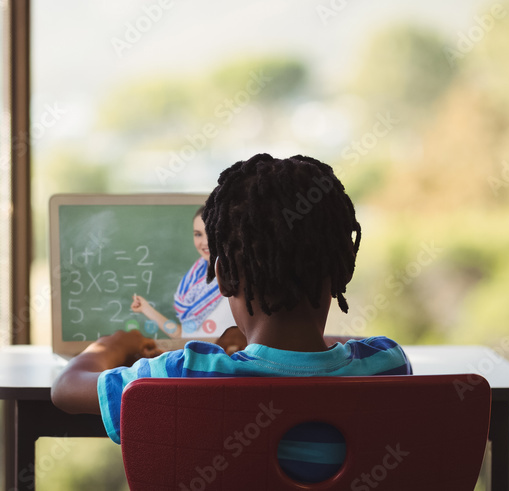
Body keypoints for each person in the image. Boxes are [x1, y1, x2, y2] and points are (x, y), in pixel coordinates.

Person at [51, 153, 412, 483]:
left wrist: (115, 344)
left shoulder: (182, 374)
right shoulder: (388, 365)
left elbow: (66, 388)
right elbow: (336, 352)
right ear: (344, 267)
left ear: (221, 276)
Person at [129, 206, 234, 338]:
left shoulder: (237, 280)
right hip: (199, 357)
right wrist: (146, 308)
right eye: (198, 234)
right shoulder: (193, 282)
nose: (204, 242)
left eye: (211, 233)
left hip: (227, 357)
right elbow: (182, 335)